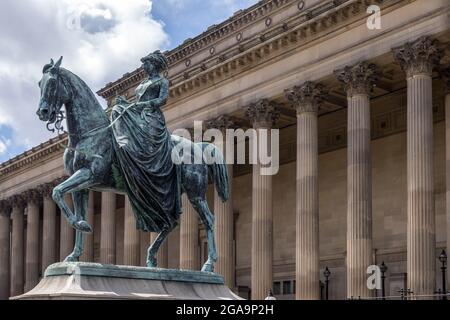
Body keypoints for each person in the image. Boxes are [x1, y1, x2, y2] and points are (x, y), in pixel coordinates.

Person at [110, 50, 181, 233]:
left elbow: (162, 99)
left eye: (147, 63)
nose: (144, 66)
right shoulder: (142, 83)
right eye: (144, 64)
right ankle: (124, 146)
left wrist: (143, 105)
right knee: (117, 109)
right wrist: (126, 103)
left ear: (154, 65)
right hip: (139, 115)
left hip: (152, 117)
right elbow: (136, 101)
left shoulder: (162, 81)